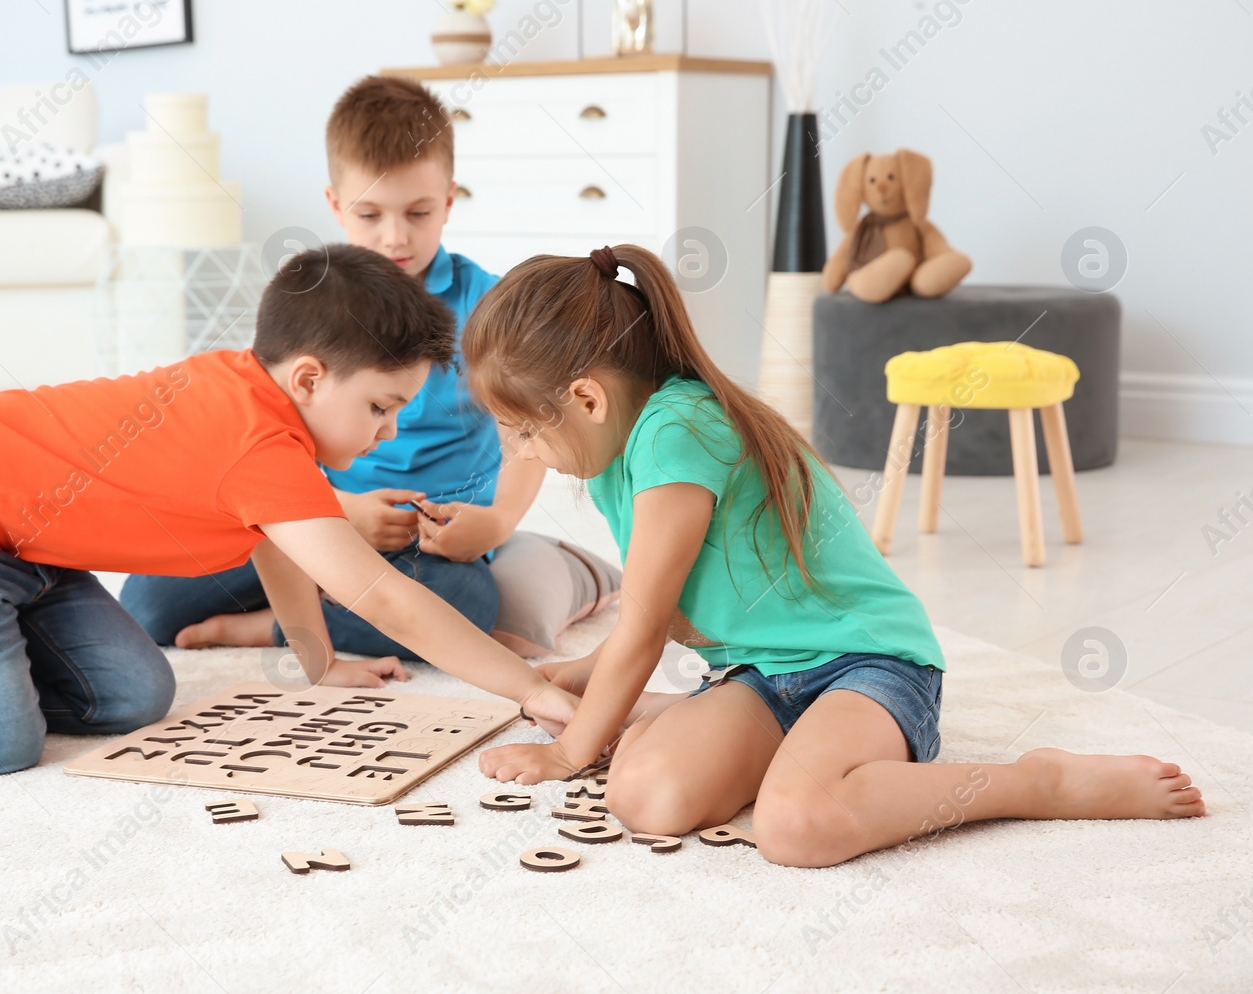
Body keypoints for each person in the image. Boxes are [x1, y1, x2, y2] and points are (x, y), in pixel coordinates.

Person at [463, 243, 1206, 867]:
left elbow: (646, 624)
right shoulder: (619, 455)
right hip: (762, 674)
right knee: (644, 796)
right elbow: (659, 617)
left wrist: (568, 755)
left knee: (795, 825)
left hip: (865, 662)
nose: (520, 451)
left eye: (523, 430)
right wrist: (577, 679)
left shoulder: (673, 432)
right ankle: (747, 738)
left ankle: (1035, 782)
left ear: (588, 399)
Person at [0, 245, 576, 775]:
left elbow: (281, 552)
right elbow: (384, 596)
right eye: (382, 407)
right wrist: (531, 690)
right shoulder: (259, 440)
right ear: (311, 378)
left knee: (133, 693)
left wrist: (318, 665)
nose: (388, 430)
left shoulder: (267, 418)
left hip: (27, 549)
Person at [120, 75, 619, 659]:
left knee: (468, 605)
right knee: (148, 605)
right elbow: (268, 431)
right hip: (307, 520)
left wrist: (500, 521)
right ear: (335, 205)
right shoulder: (312, 306)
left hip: (425, 542)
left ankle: (272, 627)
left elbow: (530, 430)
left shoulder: (488, 308)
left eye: (418, 212)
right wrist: (342, 513)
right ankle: (320, 594)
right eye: (370, 214)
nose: (395, 237)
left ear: (450, 201)